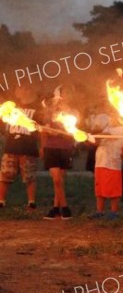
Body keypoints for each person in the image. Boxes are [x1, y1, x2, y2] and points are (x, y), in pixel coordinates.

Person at [0, 86, 42, 210]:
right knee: (5, 174)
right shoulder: (11, 107)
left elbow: (40, 129)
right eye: (20, 89)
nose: (24, 91)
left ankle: (31, 203)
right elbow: (3, 125)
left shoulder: (36, 109)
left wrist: (42, 146)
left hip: (28, 147)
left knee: (29, 177)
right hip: (11, 147)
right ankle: (1, 201)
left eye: (26, 89)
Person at [40, 86, 76, 220]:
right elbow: (45, 129)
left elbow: (74, 132)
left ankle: (55, 208)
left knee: (60, 179)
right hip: (51, 147)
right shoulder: (50, 112)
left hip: (65, 148)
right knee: (56, 179)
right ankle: (65, 208)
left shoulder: (73, 112)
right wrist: (44, 144)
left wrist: (67, 133)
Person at [88, 114, 123, 220]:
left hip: (112, 163)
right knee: (100, 187)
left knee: (113, 188)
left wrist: (90, 136)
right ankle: (99, 211)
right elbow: (96, 141)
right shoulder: (107, 126)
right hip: (100, 162)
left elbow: (104, 135)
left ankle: (114, 212)